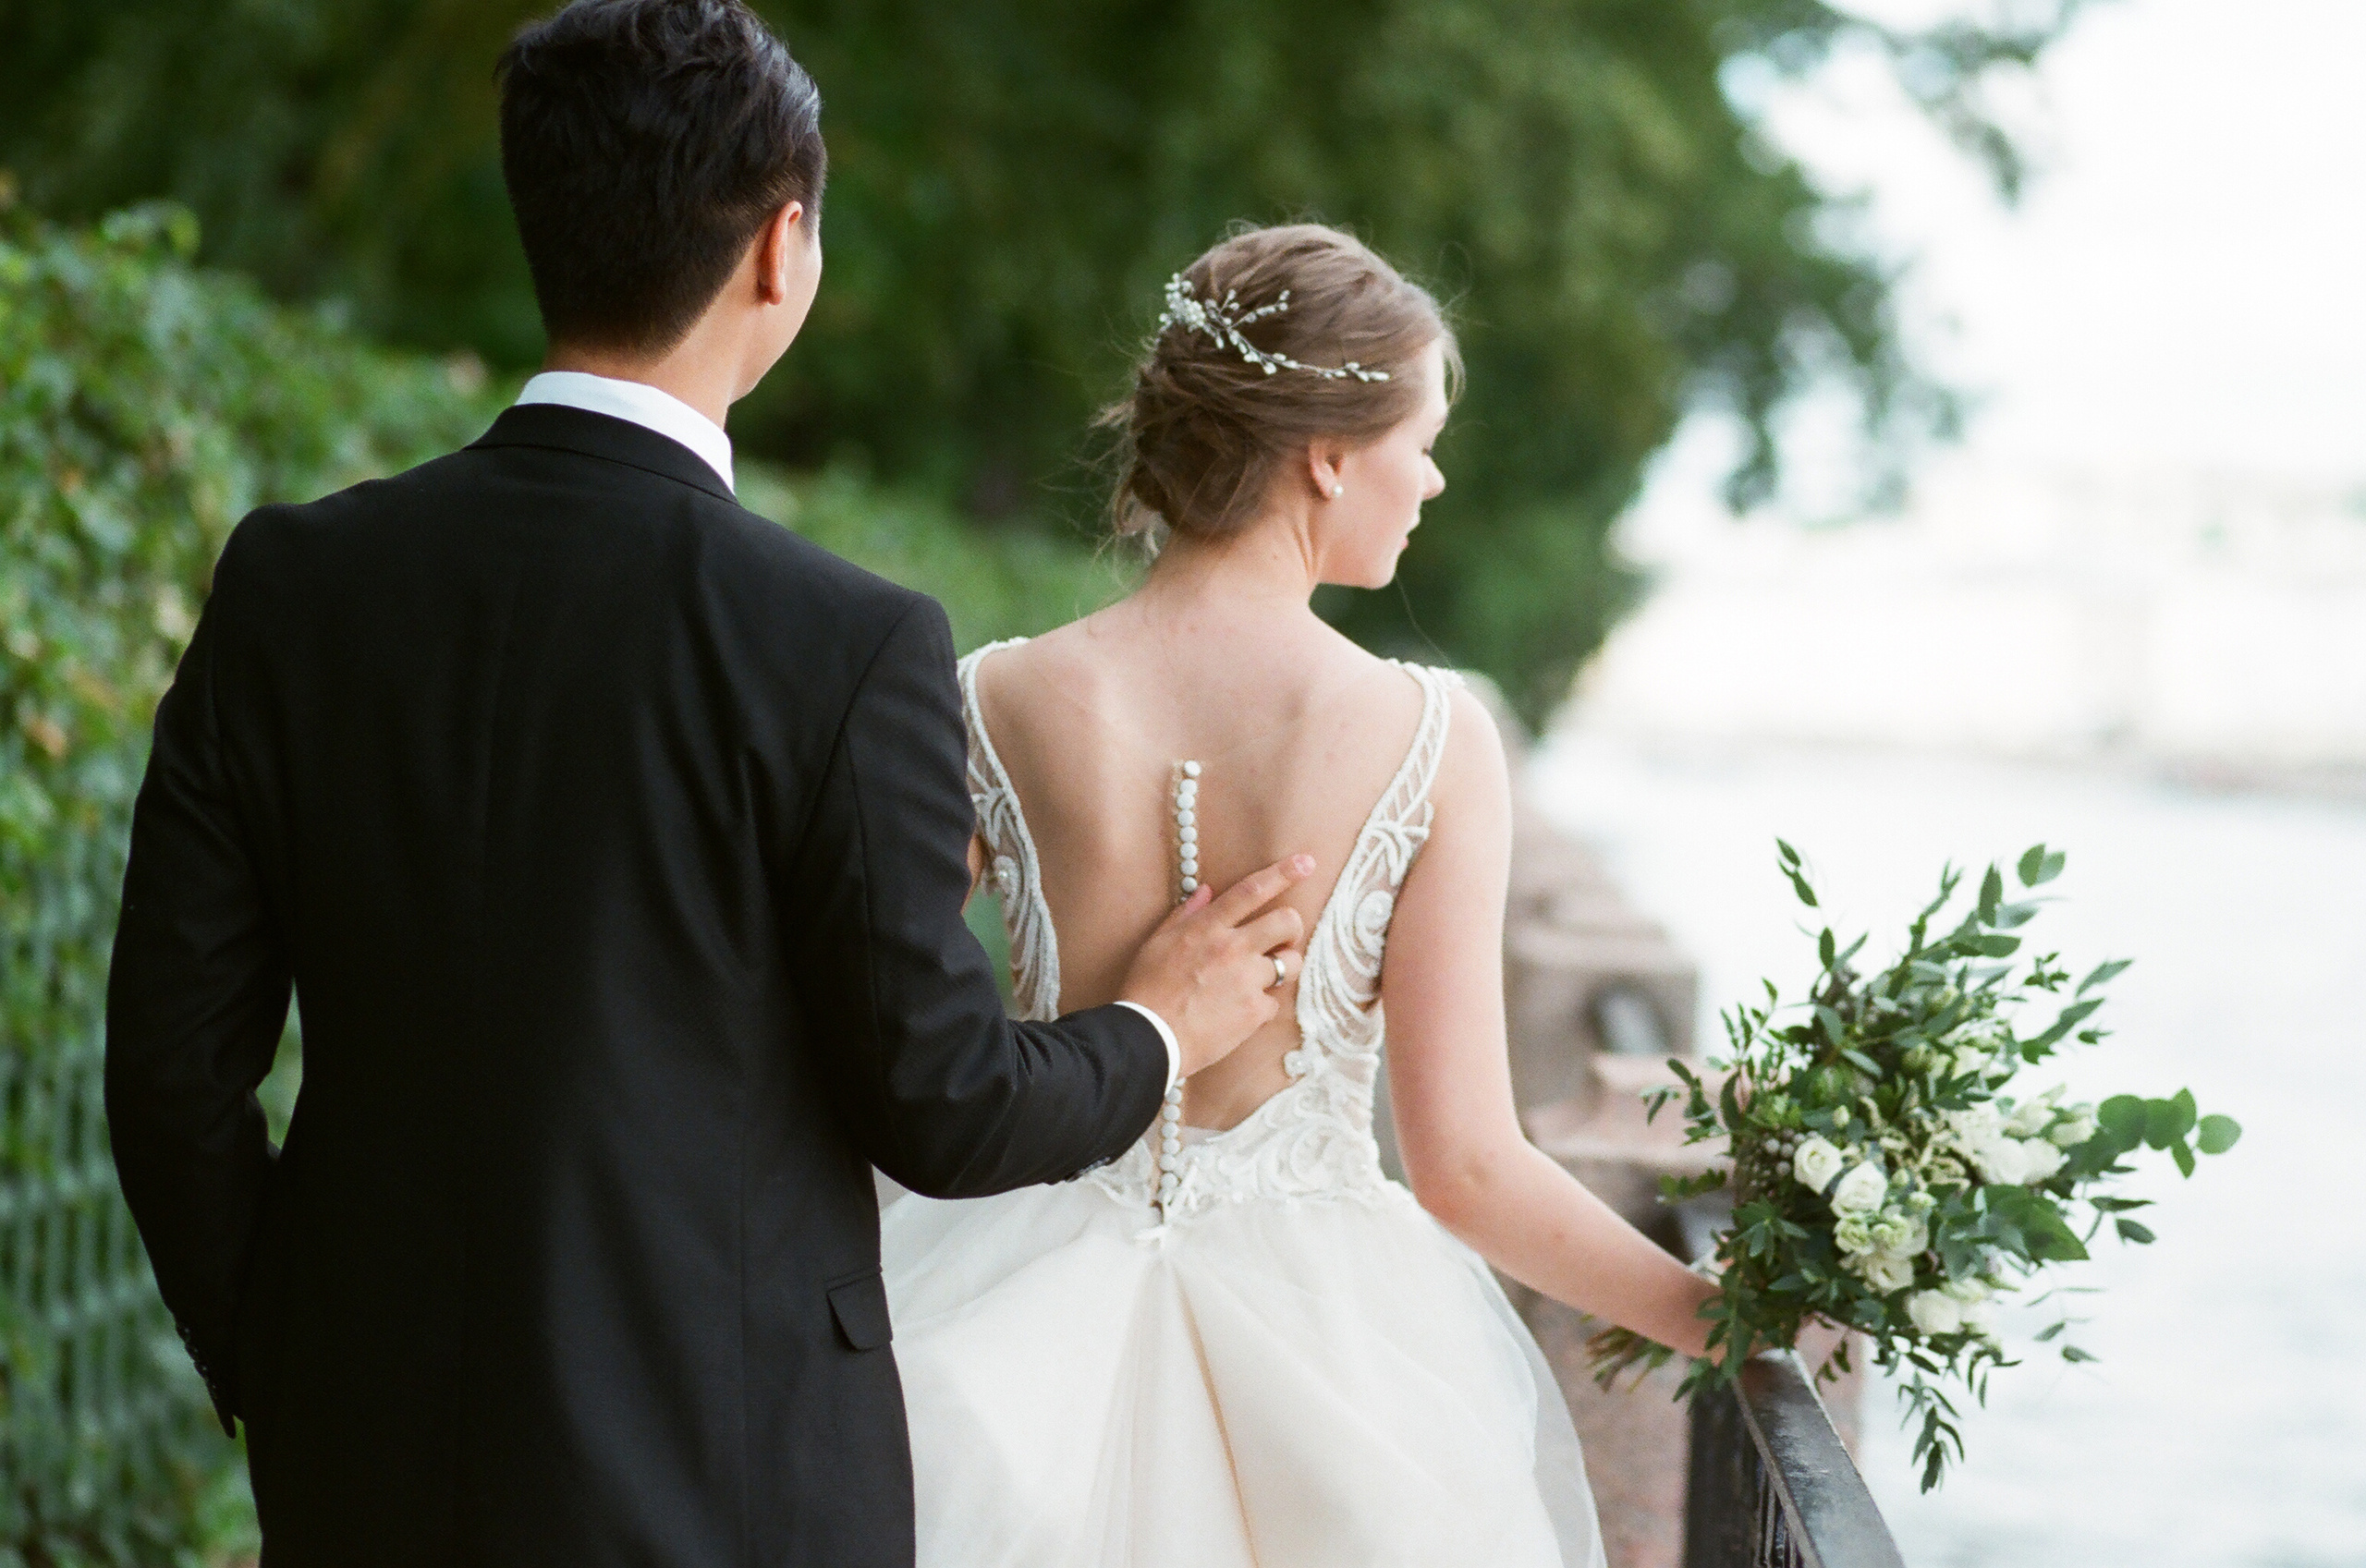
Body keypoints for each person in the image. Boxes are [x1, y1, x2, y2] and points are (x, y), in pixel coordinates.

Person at [101, 5, 1310, 1565]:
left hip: (361, 1469)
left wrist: (283, 1362)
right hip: (726, 1485)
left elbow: (167, 1072)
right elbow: (940, 1103)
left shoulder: (292, 586)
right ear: (779, 248)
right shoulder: (846, 643)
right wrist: (1158, 1025)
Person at [879, 224, 1722, 1567]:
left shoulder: (992, 695)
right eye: (1422, 436)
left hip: (996, 1306)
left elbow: (882, 1023)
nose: (1434, 476)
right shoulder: (1432, 738)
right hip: (1339, 1350)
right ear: (1328, 455)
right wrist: (1716, 1313)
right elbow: (1468, 1167)